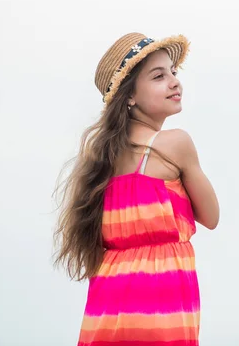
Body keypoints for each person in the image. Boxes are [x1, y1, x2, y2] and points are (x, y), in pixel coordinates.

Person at [54, 32, 220, 345]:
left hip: (107, 307)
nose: (174, 81)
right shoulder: (175, 144)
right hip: (160, 308)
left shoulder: (100, 164)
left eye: (173, 72)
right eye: (158, 76)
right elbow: (211, 216)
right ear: (129, 96)